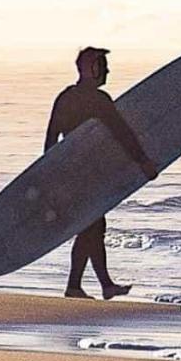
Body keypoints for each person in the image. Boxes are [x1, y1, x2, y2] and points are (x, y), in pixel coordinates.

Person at [45, 46, 158, 299]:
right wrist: (143, 161)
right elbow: (122, 133)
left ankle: (99, 285)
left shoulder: (65, 98)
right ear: (91, 68)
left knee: (93, 227)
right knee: (91, 227)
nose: (108, 71)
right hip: (87, 177)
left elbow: (51, 137)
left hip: (67, 176)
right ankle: (79, 286)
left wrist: (48, 174)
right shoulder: (98, 100)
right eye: (103, 66)